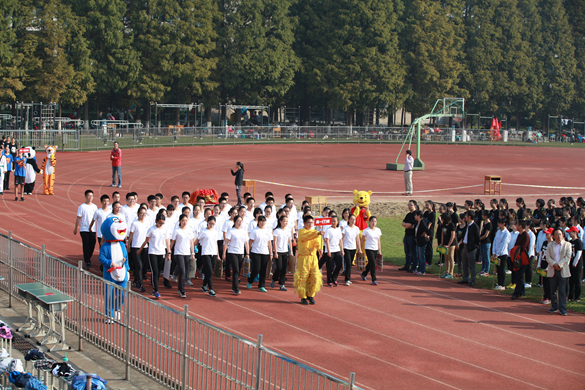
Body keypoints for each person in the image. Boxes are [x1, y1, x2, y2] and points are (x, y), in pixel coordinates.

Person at [138, 213, 169, 299]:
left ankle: (155, 287)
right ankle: (157, 291)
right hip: (152, 252)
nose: (161, 225)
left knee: (159, 272)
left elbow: (167, 241)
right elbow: (146, 241)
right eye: (159, 223)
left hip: (161, 252)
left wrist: (168, 252)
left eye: (162, 223)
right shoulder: (151, 229)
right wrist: (140, 250)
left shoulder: (165, 230)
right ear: (156, 221)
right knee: (155, 271)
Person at [294, 215, 323, 305]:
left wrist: (320, 248)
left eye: (311, 222)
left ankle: (311, 295)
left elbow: (318, 242)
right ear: (304, 223)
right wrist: (318, 233)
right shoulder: (302, 232)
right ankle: (303, 296)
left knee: (314, 277)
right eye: (308, 223)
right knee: (303, 277)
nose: (310, 224)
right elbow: (308, 236)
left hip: (313, 258)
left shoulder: (315, 232)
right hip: (304, 258)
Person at [169, 214, 195, 298]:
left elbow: (191, 242)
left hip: (187, 253)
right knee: (182, 270)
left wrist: (193, 253)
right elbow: (172, 242)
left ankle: (179, 287)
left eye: (186, 220)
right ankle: (182, 290)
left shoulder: (189, 230)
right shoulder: (176, 230)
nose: (184, 222)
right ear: (180, 221)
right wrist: (169, 252)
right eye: (183, 220)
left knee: (184, 271)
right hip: (178, 253)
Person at [546, 229, 572, 315]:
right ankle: (554, 306)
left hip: (562, 270)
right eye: (556, 234)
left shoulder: (568, 245)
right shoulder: (550, 245)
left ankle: (562, 308)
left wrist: (559, 265)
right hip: (553, 269)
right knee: (553, 289)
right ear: (553, 236)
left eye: (560, 234)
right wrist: (554, 264)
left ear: (563, 235)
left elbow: (568, 256)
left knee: (562, 290)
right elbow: (548, 257)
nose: (559, 236)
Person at [194, 215, 220, 297]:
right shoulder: (203, 231)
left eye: (213, 223)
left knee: (210, 271)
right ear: (207, 222)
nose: (211, 225)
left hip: (213, 253)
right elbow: (197, 241)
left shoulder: (215, 232)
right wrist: (193, 249)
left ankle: (204, 285)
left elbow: (216, 243)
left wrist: (218, 254)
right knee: (209, 271)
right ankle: (211, 289)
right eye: (210, 223)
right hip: (205, 253)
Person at [223, 215, 249, 295]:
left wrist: (247, 253)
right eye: (238, 221)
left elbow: (246, 243)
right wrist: (224, 253)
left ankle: (234, 287)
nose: (239, 222)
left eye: (241, 221)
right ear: (235, 222)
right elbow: (226, 243)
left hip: (240, 252)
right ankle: (236, 288)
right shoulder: (231, 231)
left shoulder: (244, 231)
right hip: (232, 252)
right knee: (236, 269)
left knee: (237, 270)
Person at [73, 190, 98, 270]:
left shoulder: (95, 207)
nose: (90, 197)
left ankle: (88, 257)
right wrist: (75, 228)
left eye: (92, 196)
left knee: (92, 244)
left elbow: (97, 218)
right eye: (89, 196)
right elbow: (78, 218)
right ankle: (87, 261)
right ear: (85, 196)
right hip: (84, 229)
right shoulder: (82, 207)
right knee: (86, 245)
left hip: (93, 229)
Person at [247, 216, 273, 292]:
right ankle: (250, 280)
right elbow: (250, 242)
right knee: (256, 268)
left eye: (264, 221)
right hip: (255, 252)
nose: (262, 223)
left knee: (263, 270)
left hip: (265, 252)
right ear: (258, 222)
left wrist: (271, 253)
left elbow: (269, 243)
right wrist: (248, 253)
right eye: (261, 221)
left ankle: (261, 285)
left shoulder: (268, 231)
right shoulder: (254, 231)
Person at [127, 207, 149, 292]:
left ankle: (135, 281)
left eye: (144, 214)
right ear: (138, 214)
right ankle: (141, 284)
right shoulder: (134, 224)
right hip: (136, 247)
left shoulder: (147, 223)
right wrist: (128, 246)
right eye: (141, 213)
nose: (143, 215)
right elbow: (131, 235)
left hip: (144, 247)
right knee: (139, 265)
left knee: (141, 266)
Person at [457, 211, 480, 287]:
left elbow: (477, 238)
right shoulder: (467, 225)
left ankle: (472, 280)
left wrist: (474, 246)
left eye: (466, 216)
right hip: (465, 246)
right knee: (464, 263)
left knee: (471, 264)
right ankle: (465, 278)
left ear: (469, 217)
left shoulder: (475, 226)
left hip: (471, 248)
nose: (465, 217)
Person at [511, 220, 530, 299]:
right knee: (518, 275)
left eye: (517, 225)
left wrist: (517, 250)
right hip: (518, 257)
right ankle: (522, 291)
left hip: (523, 258)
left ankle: (517, 293)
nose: (516, 226)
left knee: (520, 276)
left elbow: (523, 247)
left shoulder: (526, 235)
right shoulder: (519, 235)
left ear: (521, 226)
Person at [272, 215, 292, 290]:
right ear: (280, 221)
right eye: (284, 221)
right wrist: (275, 252)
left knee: (284, 268)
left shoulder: (287, 230)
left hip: (285, 251)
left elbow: (289, 241)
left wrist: (291, 251)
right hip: (278, 251)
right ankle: (274, 278)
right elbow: (275, 242)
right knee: (279, 267)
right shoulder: (277, 230)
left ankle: (282, 284)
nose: (286, 223)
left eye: (287, 221)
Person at [360, 216, 382, 285]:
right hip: (368, 248)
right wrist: (359, 249)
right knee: (373, 263)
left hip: (375, 248)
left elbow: (379, 241)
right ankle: (374, 279)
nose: (373, 223)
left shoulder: (378, 230)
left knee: (370, 263)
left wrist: (380, 250)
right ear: (369, 222)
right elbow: (362, 240)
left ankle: (364, 273)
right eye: (372, 221)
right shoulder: (366, 230)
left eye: (375, 221)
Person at [342, 214, 361, 285]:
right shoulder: (345, 228)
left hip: (353, 248)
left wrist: (359, 248)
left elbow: (358, 239)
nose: (353, 221)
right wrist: (342, 248)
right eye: (352, 219)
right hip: (346, 248)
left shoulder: (356, 228)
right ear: (349, 220)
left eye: (354, 219)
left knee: (350, 263)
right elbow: (342, 238)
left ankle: (347, 277)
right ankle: (347, 279)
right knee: (348, 263)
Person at [324, 215, 344, 286]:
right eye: (332, 221)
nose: (333, 222)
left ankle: (334, 278)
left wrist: (342, 249)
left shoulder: (339, 229)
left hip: (337, 249)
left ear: (337, 222)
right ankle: (329, 281)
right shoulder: (328, 229)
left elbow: (340, 240)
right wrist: (328, 251)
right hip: (330, 250)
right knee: (329, 266)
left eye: (335, 221)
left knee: (339, 264)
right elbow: (327, 240)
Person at [492, 218, 511, 290]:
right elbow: (495, 242)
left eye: (500, 223)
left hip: (503, 254)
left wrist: (498, 253)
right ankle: (499, 283)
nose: (498, 224)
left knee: (502, 269)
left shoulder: (506, 233)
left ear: (503, 224)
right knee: (498, 269)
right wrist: (494, 252)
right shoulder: (498, 232)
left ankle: (502, 284)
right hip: (496, 253)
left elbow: (504, 244)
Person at [398, 201, 417, 271]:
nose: (409, 206)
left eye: (411, 205)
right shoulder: (408, 215)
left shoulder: (416, 214)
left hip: (412, 236)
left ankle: (414, 267)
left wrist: (407, 225)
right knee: (407, 252)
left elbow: (411, 225)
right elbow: (403, 223)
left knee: (413, 252)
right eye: (408, 205)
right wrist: (407, 225)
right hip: (407, 235)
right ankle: (407, 265)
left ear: (415, 206)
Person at [567, 226, 583, 302]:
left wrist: (575, 263)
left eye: (571, 232)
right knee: (571, 280)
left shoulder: (578, 242)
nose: (569, 233)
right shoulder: (570, 242)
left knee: (577, 280)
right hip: (570, 262)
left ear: (575, 232)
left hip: (577, 264)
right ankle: (570, 296)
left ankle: (577, 297)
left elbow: (579, 253)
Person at [439, 213, 456, 279]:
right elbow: (443, 233)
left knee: (451, 258)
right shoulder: (443, 225)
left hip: (451, 244)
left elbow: (453, 236)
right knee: (446, 258)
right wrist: (442, 243)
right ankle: (446, 272)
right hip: (445, 243)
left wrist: (448, 245)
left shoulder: (452, 225)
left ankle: (451, 273)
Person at [412, 210, 429, 275]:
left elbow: (427, 230)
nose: (414, 216)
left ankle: (422, 270)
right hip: (418, 241)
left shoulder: (422, 222)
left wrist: (424, 234)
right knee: (419, 256)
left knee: (422, 256)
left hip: (422, 241)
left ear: (419, 216)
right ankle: (419, 269)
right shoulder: (418, 222)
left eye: (415, 215)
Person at [478, 210, 492, 276]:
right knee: (483, 257)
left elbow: (486, 235)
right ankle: (483, 269)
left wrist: (478, 239)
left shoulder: (489, 224)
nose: (482, 216)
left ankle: (486, 270)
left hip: (486, 242)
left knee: (487, 257)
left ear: (486, 216)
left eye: (483, 215)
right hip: (482, 242)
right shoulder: (484, 223)